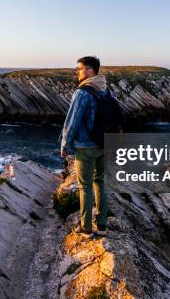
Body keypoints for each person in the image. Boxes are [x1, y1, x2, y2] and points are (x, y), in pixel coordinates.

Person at [59, 56, 109, 238]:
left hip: (86, 148)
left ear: (90, 71)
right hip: (104, 145)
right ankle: (102, 225)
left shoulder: (82, 93)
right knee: (100, 182)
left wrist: (65, 145)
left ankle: (86, 228)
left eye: (80, 69)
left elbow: (72, 122)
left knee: (85, 187)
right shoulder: (105, 90)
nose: (77, 72)